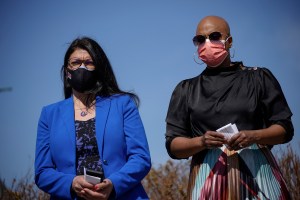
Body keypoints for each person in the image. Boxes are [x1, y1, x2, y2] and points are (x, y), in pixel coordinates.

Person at [165, 16, 294, 199]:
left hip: (259, 178)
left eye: (214, 36)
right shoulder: (186, 89)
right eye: (200, 39)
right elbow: (173, 144)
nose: (207, 43)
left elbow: (285, 129)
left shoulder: (259, 78)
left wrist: (254, 136)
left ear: (229, 41)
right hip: (207, 184)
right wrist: (201, 141)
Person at [35, 37, 151, 200]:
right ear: (67, 70)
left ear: (99, 68)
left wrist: (113, 184)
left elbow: (141, 158)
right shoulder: (50, 114)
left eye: (89, 62)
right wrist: (71, 182)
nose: (82, 67)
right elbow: (42, 172)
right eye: (75, 62)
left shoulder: (122, 104)